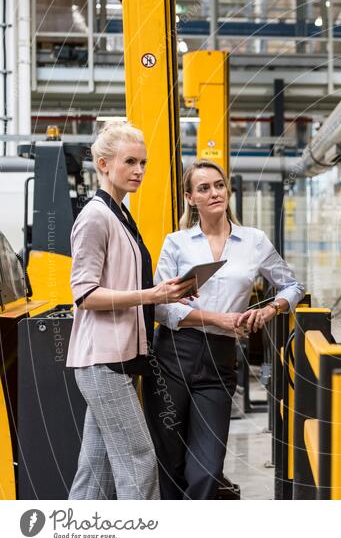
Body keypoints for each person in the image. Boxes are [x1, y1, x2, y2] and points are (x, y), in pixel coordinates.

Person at [142, 160, 304, 500]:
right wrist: (217, 319)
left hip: (219, 360)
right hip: (172, 355)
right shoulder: (177, 242)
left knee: (207, 464)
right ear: (190, 198)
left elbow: (293, 285)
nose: (214, 192)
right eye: (204, 188)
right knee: (169, 459)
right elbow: (158, 305)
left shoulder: (254, 241)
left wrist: (271, 308)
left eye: (219, 185)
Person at [67, 122, 196, 500]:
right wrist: (150, 295)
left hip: (117, 358)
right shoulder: (95, 217)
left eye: (143, 162)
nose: (139, 170)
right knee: (139, 461)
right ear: (104, 165)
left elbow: (127, 285)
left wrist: (165, 295)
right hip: (103, 361)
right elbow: (85, 294)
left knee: (96, 470)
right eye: (130, 162)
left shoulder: (120, 214)